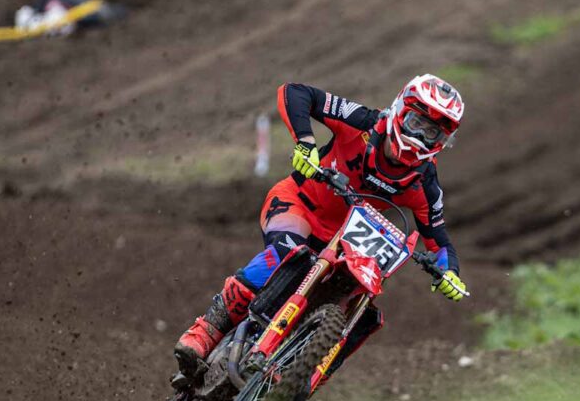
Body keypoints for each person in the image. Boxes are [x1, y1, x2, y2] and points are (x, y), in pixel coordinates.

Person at [174, 74, 468, 379]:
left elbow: (438, 239)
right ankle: (206, 331)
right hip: (298, 204)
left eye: (432, 132)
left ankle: (293, 389)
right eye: (416, 123)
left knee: (360, 314)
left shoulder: (425, 184)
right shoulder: (362, 122)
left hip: (343, 243)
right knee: (288, 253)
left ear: (442, 142)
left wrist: (449, 273)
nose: (420, 137)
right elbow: (296, 93)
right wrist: (305, 142)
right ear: (399, 111)